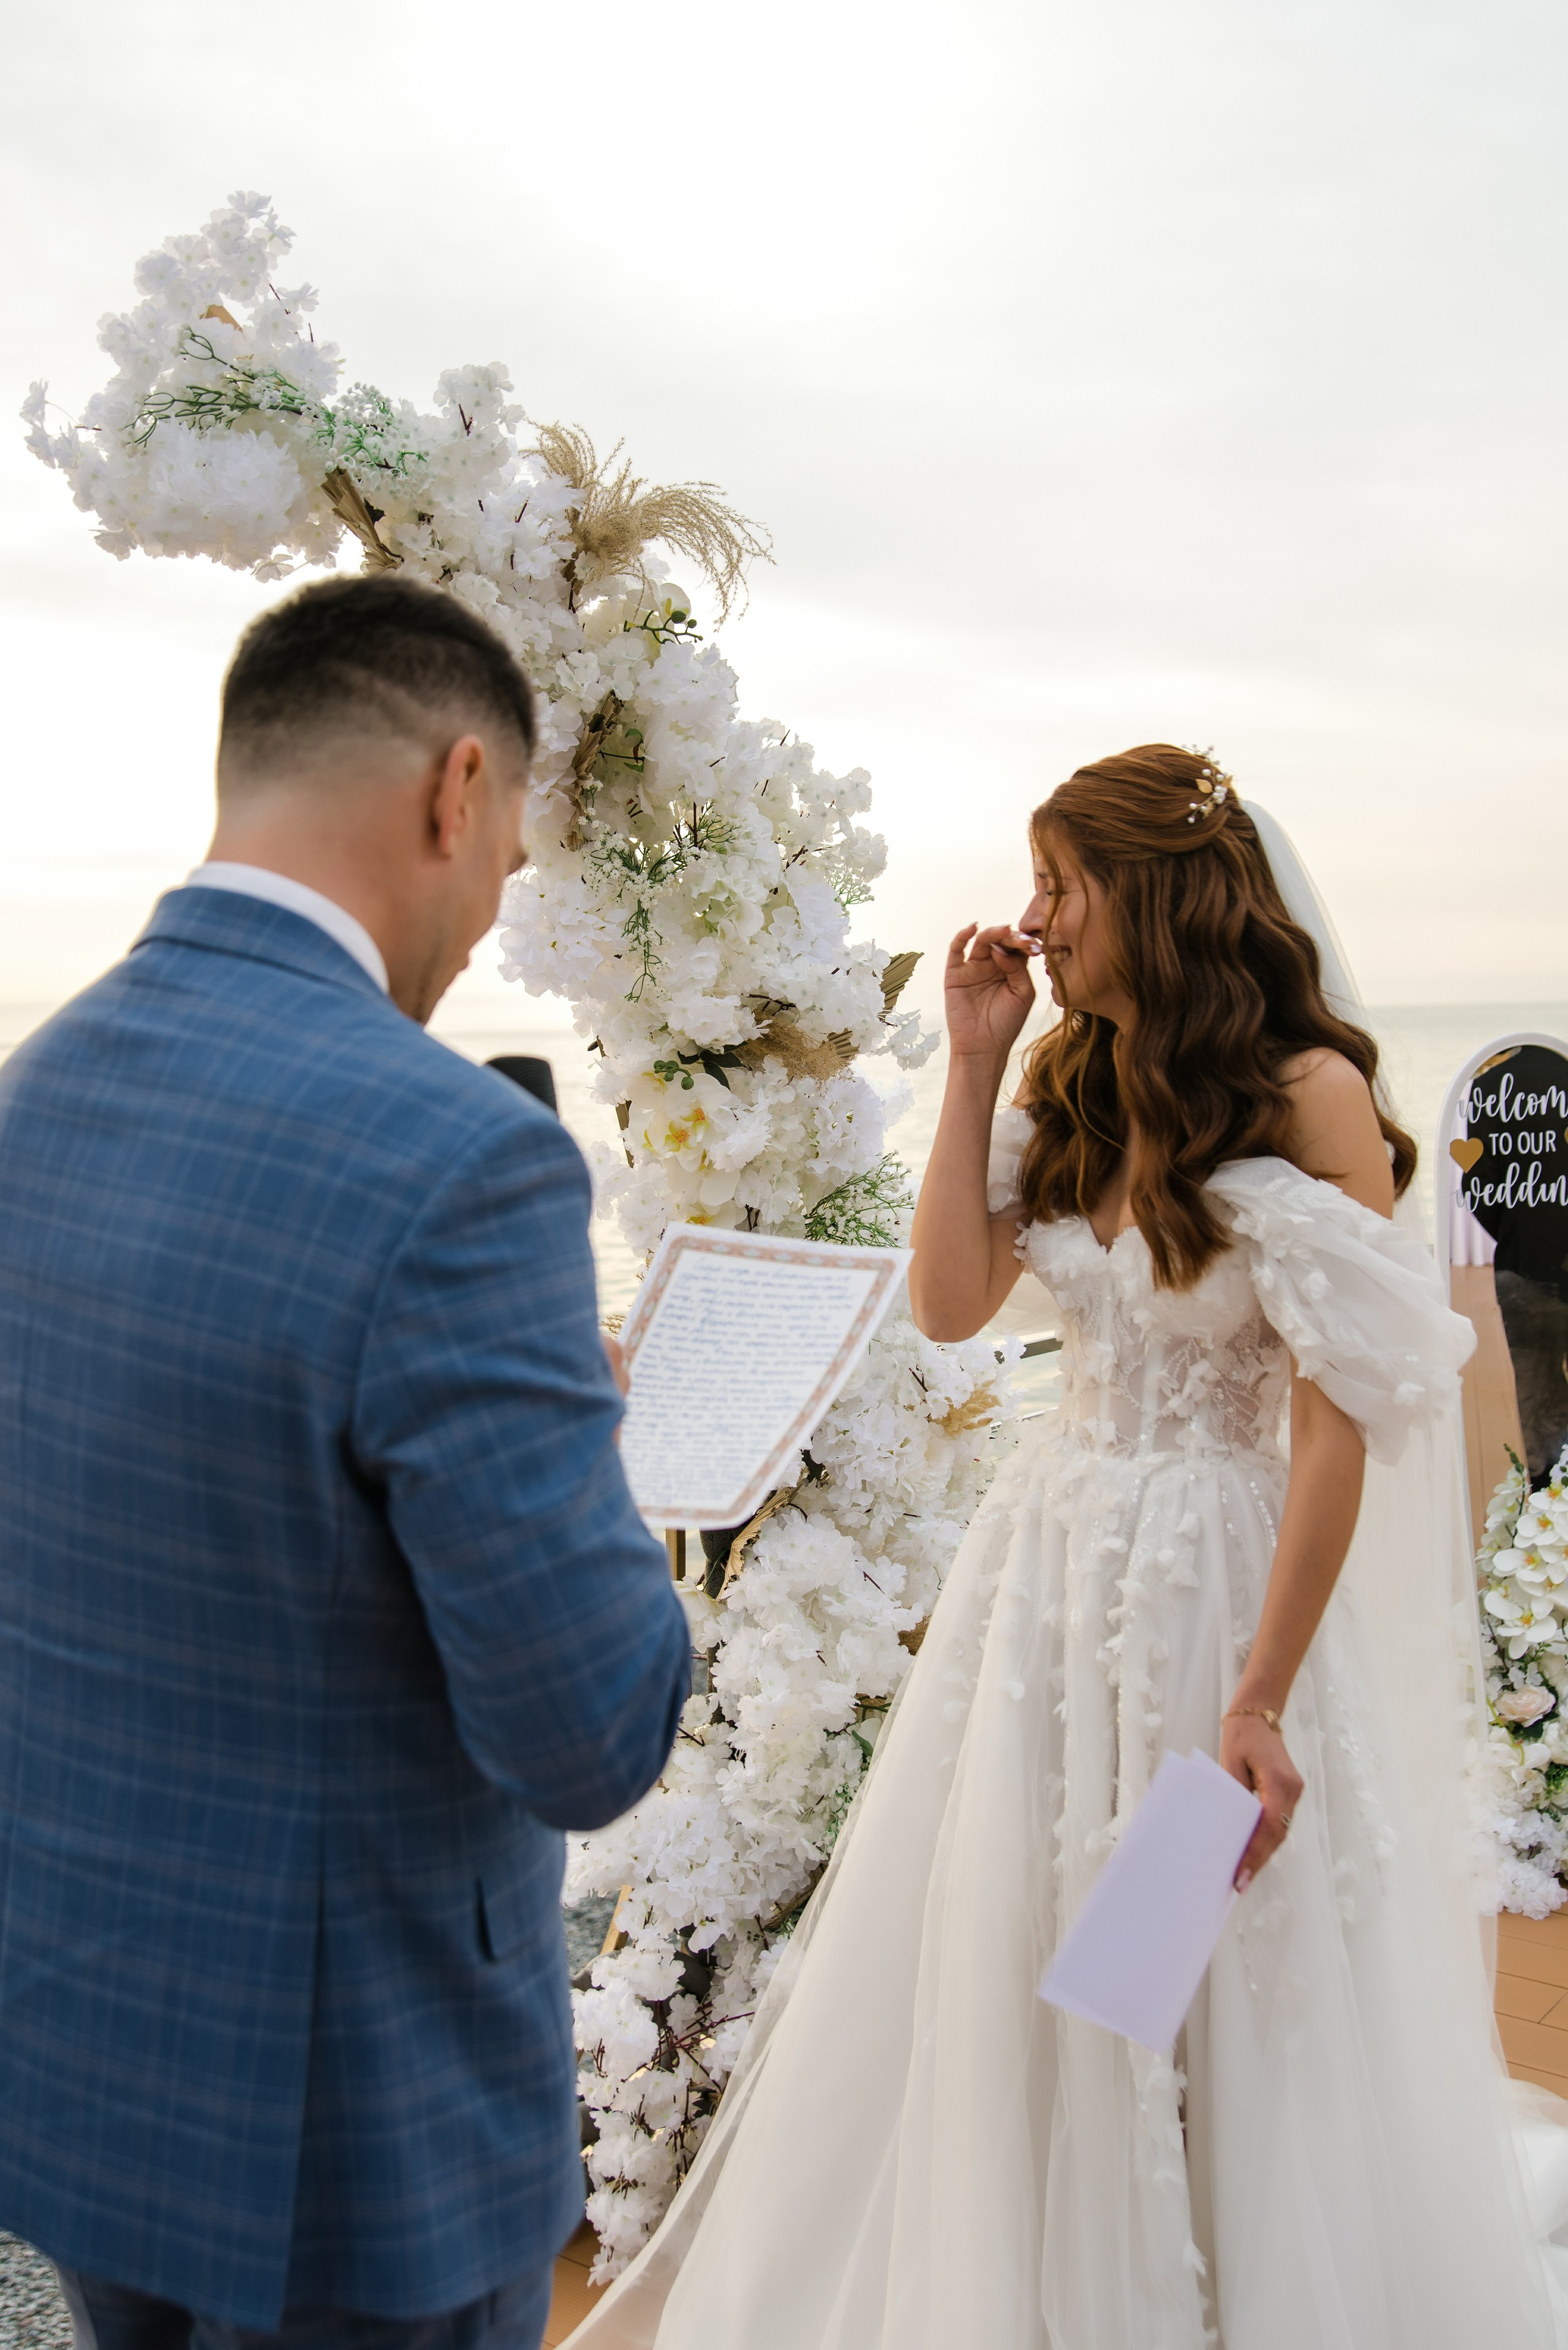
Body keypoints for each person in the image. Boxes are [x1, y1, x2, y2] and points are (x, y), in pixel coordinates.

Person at [562, 744, 1568, 2348]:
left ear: (1150, 895)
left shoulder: (1308, 1094)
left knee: (1179, 1968)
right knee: (1032, 1952)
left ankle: (1208, 2296)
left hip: (1216, 1594)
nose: (1031, 922)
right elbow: (955, 1304)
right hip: (1043, 1586)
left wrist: (1262, 1692)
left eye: (1060, 887)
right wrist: (973, 1068)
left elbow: (1336, 1424)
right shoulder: (1061, 1082)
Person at [0, 574, 691, 2349]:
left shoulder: (36, 1092)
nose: (480, 920)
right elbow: (590, 1731)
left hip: (85, 2057)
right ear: (458, 790)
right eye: (510, 863)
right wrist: (592, 1438)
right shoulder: (465, 1167)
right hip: (350, 2132)